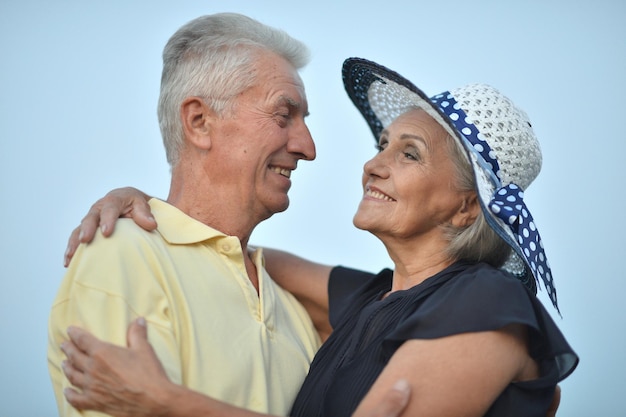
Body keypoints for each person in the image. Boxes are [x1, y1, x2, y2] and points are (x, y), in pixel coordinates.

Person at [60, 58, 578, 416]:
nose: (373, 166)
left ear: (467, 208)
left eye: (410, 153)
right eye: (382, 145)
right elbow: (235, 251)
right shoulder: (371, 299)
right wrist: (149, 207)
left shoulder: (488, 301)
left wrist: (164, 402)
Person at [48, 12, 324, 417]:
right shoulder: (122, 256)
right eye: (284, 116)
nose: (307, 146)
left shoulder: (293, 309)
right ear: (199, 122)